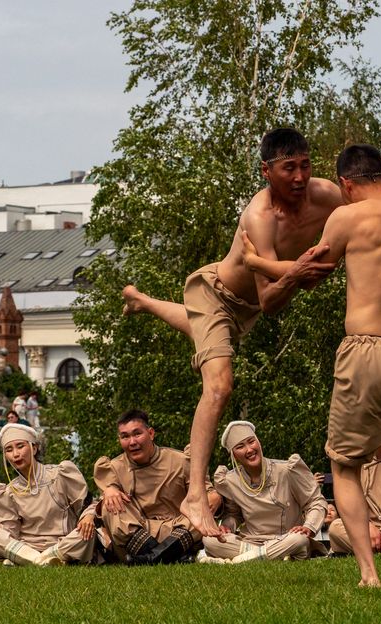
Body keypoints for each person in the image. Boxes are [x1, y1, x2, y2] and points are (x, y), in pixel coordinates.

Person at [120, 128, 342, 538]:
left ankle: (142, 300)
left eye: (305, 166)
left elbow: (358, 219)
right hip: (217, 296)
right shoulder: (260, 217)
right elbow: (272, 301)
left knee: (202, 332)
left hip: (244, 308)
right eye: (288, 168)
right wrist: (297, 272)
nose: (299, 177)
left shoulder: (327, 195)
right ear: (266, 171)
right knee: (219, 385)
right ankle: (194, 496)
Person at [244, 144, 381, 587]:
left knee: (344, 464)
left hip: (366, 348)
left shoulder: (347, 217)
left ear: (347, 184)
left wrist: (254, 259)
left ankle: (369, 574)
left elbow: (308, 273)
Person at [93, 409, 221, 564]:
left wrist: (213, 496)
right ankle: (172, 558)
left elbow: (206, 492)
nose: (132, 442)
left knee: (202, 507)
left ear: (151, 433)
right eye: (125, 436)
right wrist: (108, 490)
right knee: (109, 505)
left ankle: (149, 559)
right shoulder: (113, 468)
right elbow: (101, 509)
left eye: (137, 434)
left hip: (178, 530)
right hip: (138, 533)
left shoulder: (181, 460)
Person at [199, 421, 327, 564]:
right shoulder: (230, 480)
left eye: (251, 442)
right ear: (233, 455)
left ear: (259, 443)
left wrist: (308, 526)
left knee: (299, 540)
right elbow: (234, 515)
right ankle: (265, 556)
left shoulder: (287, 470)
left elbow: (315, 501)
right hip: (251, 541)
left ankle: (240, 560)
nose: (249, 450)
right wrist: (227, 527)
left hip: (287, 538)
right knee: (209, 540)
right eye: (240, 447)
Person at [0, 423, 95, 565]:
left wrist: (88, 516)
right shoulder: (8, 491)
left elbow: (86, 503)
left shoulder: (60, 474)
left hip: (63, 542)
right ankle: (42, 560)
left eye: (20, 446)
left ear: (34, 448)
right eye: (9, 450)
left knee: (86, 532)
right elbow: (8, 530)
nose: (15, 454)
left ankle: (28, 559)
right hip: (26, 546)